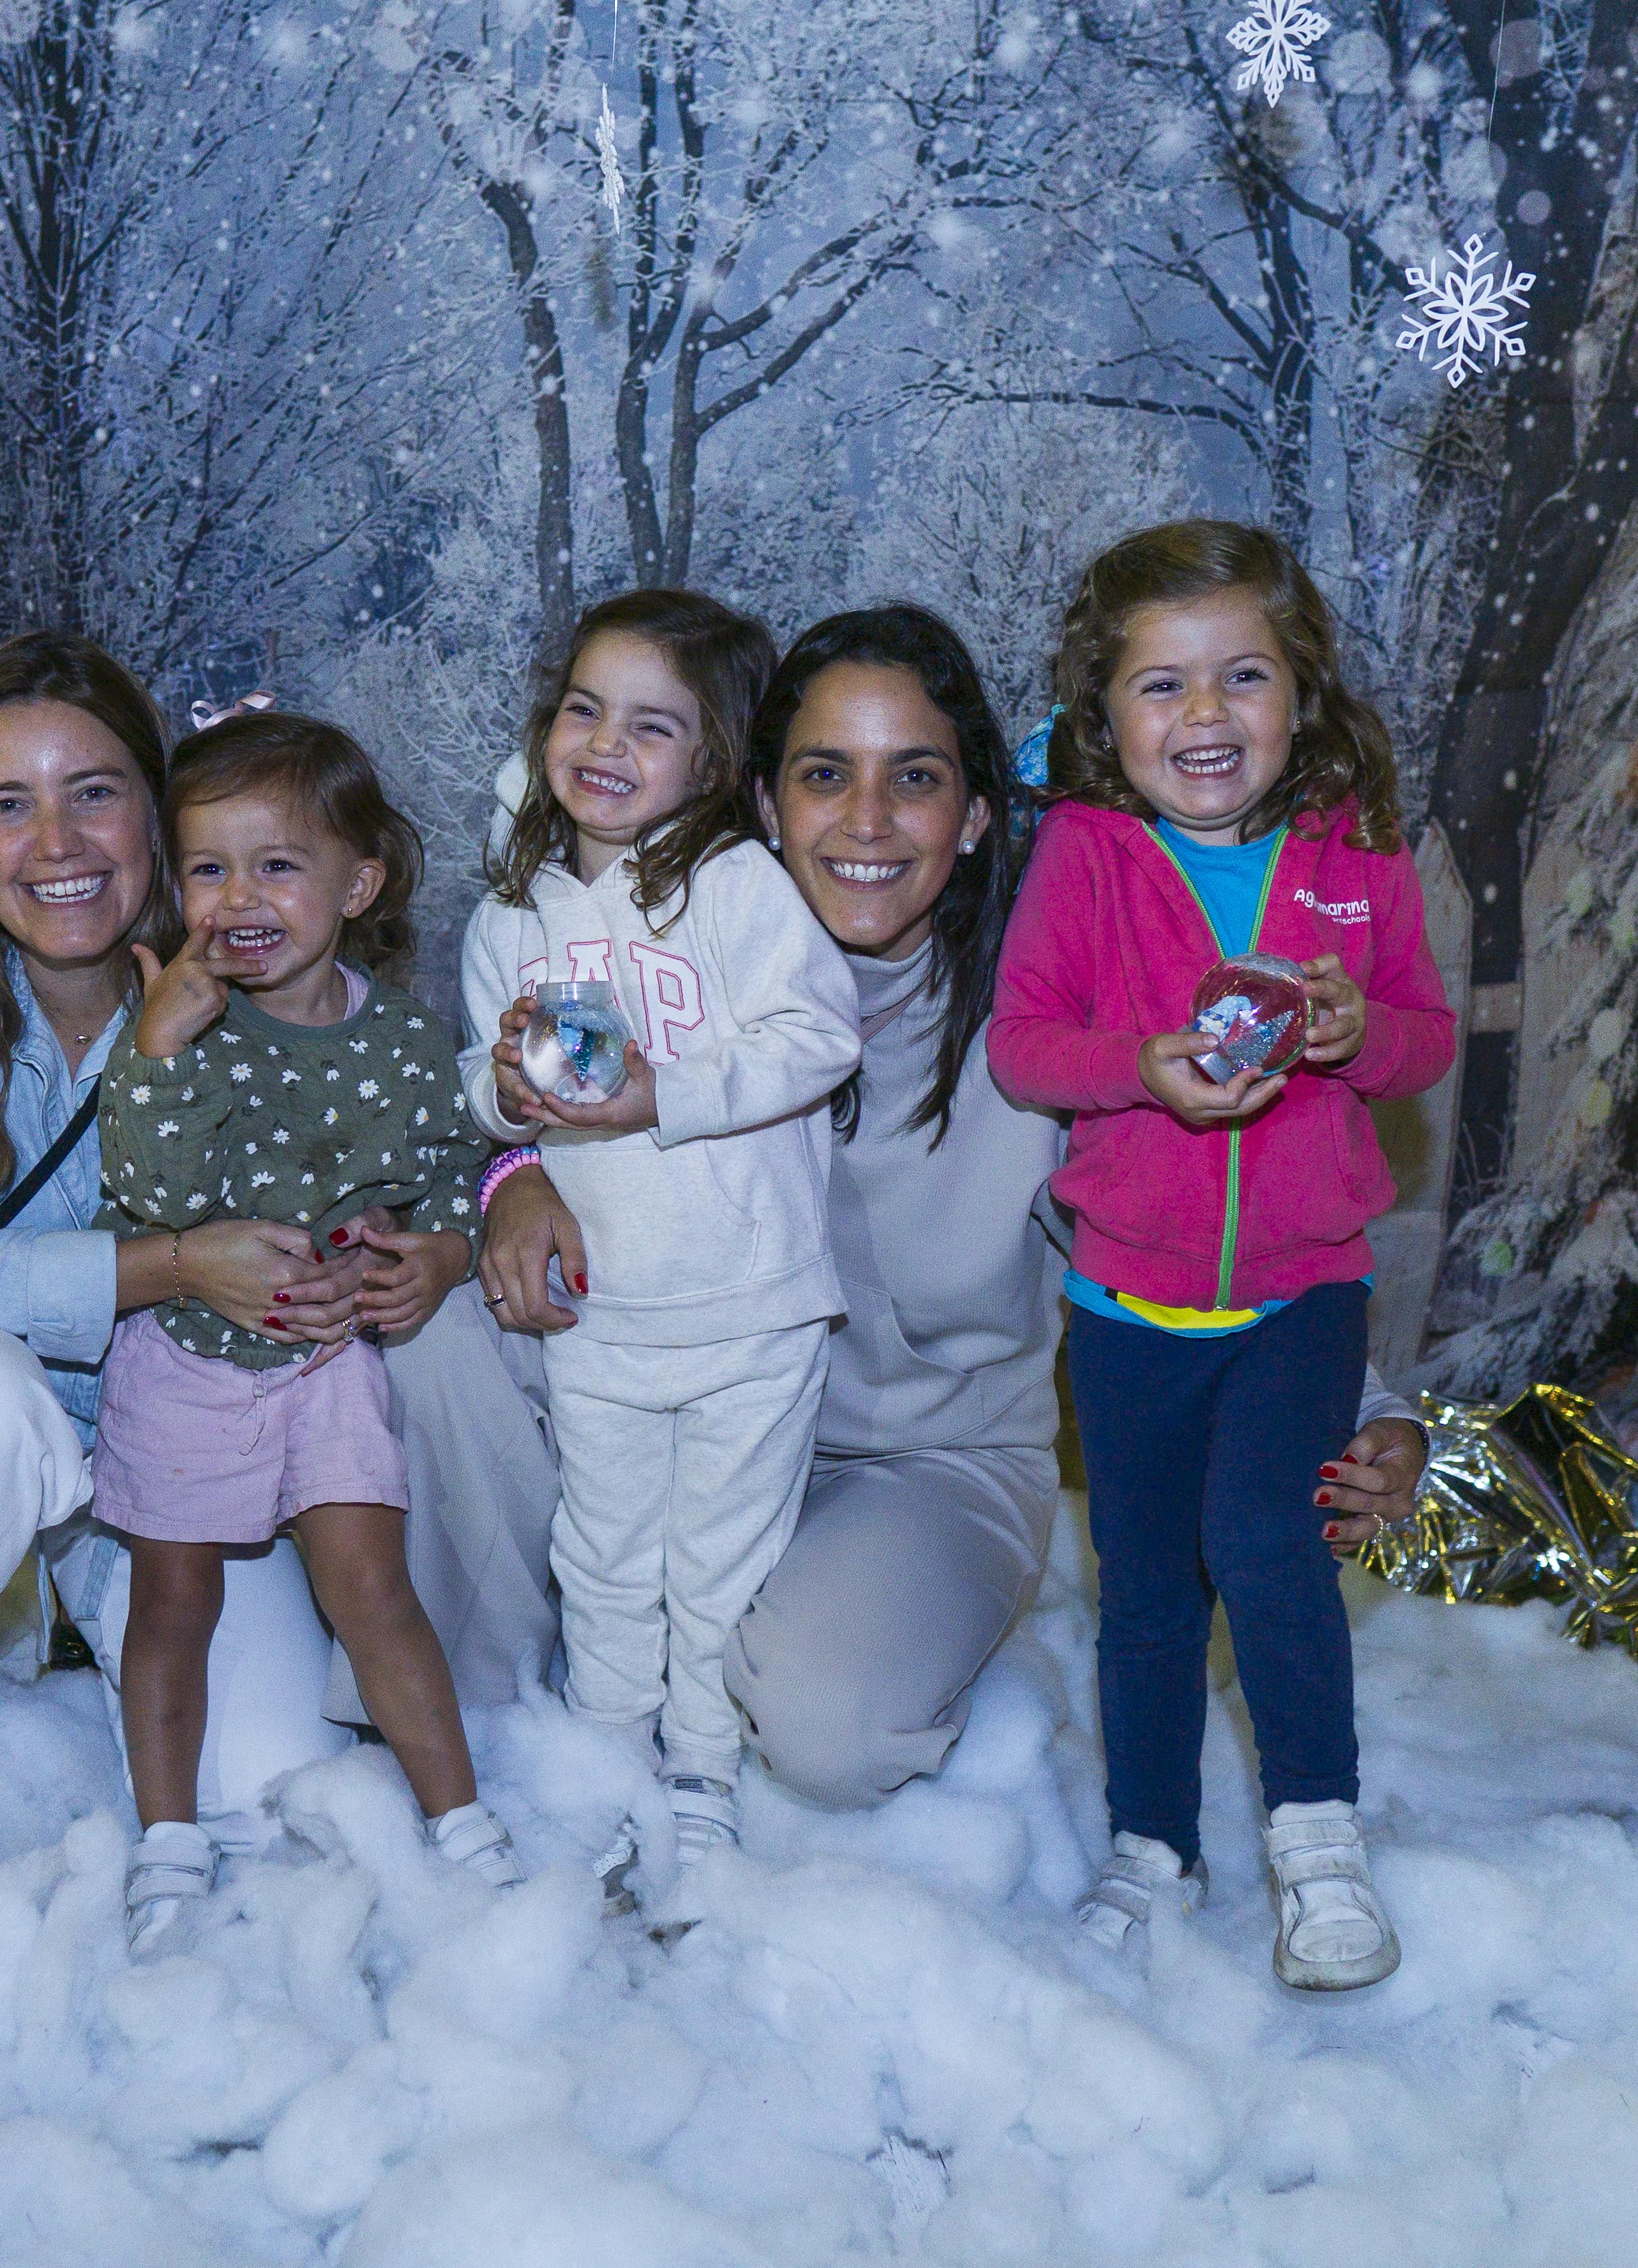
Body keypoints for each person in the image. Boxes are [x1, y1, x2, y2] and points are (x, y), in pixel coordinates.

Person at [472, 605, 1431, 1831]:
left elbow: (1193, 1230)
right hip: (667, 1397)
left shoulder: (1046, 1039)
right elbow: (505, 1078)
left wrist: (1365, 1412)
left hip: (913, 1464)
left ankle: (857, 1630)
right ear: (762, 803)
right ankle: (472, 1691)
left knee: (829, 1724)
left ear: (976, 817)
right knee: (447, 1339)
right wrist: (519, 1177)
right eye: (825, 776)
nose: (865, 822)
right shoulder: (662, 969)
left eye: (913, 779)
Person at [0, 633, 455, 1892]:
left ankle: (82, 1621)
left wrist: (406, 1239)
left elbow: (397, 1151)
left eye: (93, 792)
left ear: (156, 803)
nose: (59, 843)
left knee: (266, 1782)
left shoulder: (268, 971)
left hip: (176, 1450)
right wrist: (175, 1263)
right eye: (6, 805)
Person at [989, 521, 1454, 1988]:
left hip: (1303, 1287)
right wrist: (1141, 1064)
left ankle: (1317, 1844)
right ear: (1101, 717)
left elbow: (1424, 1038)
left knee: (1267, 1543)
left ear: (1298, 694)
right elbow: (1021, 1045)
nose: (1203, 717)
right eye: (1162, 687)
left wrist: (1352, 1034)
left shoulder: (1355, 852)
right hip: (1124, 1298)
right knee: (1143, 1586)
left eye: (1240, 677)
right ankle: (1151, 1845)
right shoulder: (1082, 850)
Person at [94, 712, 522, 1946]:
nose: (238, 899)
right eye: (208, 868)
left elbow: (450, 1171)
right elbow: (156, 1198)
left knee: (373, 1590)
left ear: (359, 881)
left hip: (329, 1359)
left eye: (277, 865)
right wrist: (160, 1051)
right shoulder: (182, 1024)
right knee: (172, 1601)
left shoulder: (399, 1036)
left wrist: (437, 1255)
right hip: (187, 1355)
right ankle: (167, 1837)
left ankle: (464, 1824)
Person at [459, 589, 861, 1892]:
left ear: (712, 761)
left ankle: (700, 1768)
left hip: (750, 1304)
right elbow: (480, 1064)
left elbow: (818, 1039)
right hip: (600, 1305)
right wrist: (504, 1100)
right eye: (584, 708)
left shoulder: (739, 890)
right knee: (605, 1548)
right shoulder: (511, 911)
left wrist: (662, 1095)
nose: (605, 744)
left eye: (651, 725)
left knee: (719, 1558)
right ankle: (603, 1754)